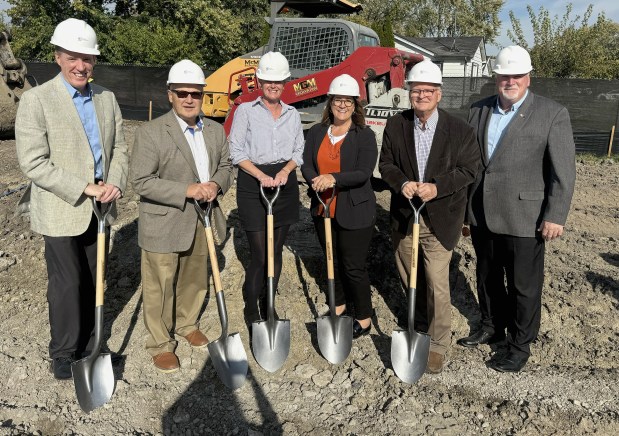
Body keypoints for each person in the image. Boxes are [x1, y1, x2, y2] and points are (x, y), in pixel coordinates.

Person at [15, 18, 128, 380]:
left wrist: (116, 184)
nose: (81, 66)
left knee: (96, 278)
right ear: (58, 56)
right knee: (67, 283)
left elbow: (121, 148)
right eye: (73, 57)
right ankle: (64, 351)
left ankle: (94, 343)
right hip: (62, 206)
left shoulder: (107, 99)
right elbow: (33, 161)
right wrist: (85, 186)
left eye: (88, 58)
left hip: (102, 204)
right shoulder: (36, 100)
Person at [458, 46, 576, 373]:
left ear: (528, 77)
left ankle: (519, 344)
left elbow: (563, 170)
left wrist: (555, 215)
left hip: (526, 216)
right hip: (482, 212)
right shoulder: (478, 110)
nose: (510, 81)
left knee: (524, 286)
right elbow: (471, 165)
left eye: (516, 75)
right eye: (504, 75)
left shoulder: (552, 113)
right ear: (496, 77)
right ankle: (492, 326)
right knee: (487, 277)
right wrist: (466, 212)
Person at [131, 60, 234, 373]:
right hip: (164, 220)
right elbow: (140, 181)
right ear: (170, 95)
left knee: (193, 278)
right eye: (183, 93)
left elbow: (226, 167)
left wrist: (216, 184)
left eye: (196, 93)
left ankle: (187, 324)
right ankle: (160, 343)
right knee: (160, 285)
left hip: (202, 219)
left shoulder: (215, 131)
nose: (190, 99)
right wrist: (186, 189)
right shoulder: (151, 132)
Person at [379, 60, 480, 374]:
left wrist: (437, 188)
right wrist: (404, 184)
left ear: (439, 94)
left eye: (428, 90)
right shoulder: (397, 125)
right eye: (415, 89)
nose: (421, 95)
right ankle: (418, 325)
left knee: (437, 283)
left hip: (440, 219)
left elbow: (469, 170)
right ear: (409, 92)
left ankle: (437, 342)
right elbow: (387, 165)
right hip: (405, 218)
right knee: (410, 278)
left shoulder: (459, 129)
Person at [228, 51, 304, 327]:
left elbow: (299, 150)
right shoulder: (245, 111)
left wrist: (284, 171)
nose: (273, 85)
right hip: (253, 182)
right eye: (268, 80)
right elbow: (235, 151)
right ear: (260, 80)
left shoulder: (292, 114)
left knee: (276, 251)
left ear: (285, 83)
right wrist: (261, 175)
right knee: (260, 253)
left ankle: (269, 303)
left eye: (278, 81)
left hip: (284, 182)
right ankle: (252, 306)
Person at [301, 74, 377, 338]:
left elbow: (364, 172)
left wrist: (333, 178)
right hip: (323, 208)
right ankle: (340, 306)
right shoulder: (317, 132)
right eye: (337, 100)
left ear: (356, 105)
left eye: (348, 100)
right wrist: (315, 180)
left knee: (353, 265)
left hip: (354, 210)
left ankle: (364, 318)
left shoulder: (364, 136)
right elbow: (307, 164)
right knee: (331, 260)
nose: (342, 105)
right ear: (329, 102)